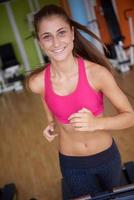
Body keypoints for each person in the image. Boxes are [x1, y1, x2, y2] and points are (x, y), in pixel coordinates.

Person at [27, 4, 134, 199]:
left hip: (106, 157)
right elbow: (47, 100)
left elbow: (130, 117)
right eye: (47, 36)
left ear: (72, 33)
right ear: (41, 43)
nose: (56, 42)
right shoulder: (37, 83)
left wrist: (96, 123)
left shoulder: (97, 74)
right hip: (72, 163)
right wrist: (51, 122)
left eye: (61, 33)